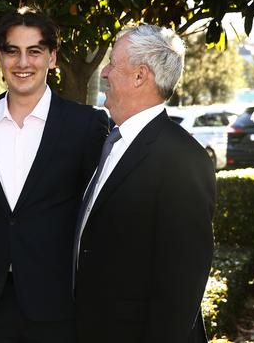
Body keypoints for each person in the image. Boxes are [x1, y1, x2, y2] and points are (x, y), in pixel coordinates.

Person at [0, 7, 108, 343]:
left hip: (60, 304)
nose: (22, 63)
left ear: (52, 58)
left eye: (34, 51)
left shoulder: (86, 125)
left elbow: (99, 214)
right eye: (12, 51)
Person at [72, 25, 215, 342]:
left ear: (140, 76)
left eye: (112, 62)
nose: (105, 72)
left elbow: (181, 289)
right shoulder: (108, 142)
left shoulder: (183, 160)